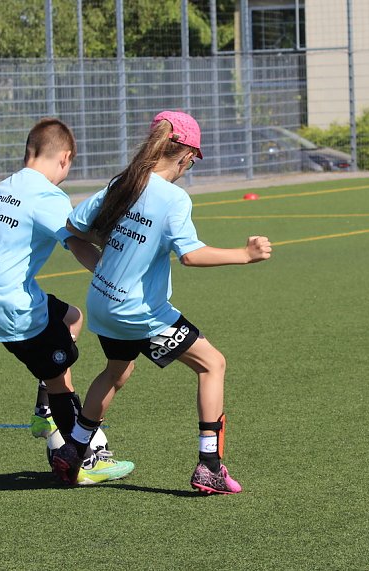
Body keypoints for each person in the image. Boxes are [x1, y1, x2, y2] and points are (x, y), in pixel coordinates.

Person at [52, 110, 272, 494]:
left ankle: (73, 450)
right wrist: (245, 254)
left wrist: (104, 266)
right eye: (193, 159)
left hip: (104, 305)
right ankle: (209, 466)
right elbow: (190, 255)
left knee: (116, 372)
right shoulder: (173, 198)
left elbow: (71, 230)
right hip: (140, 313)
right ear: (186, 154)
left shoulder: (123, 183)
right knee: (212, 364)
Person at [0, 117, 134, 485]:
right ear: (65, 158)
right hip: (15, 308)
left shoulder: (1, 188)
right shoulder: (45, 194)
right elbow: (76, 241)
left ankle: (44, 410)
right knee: (61, 383)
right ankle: (83, 461)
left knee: (71, 317)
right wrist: (111, 274)